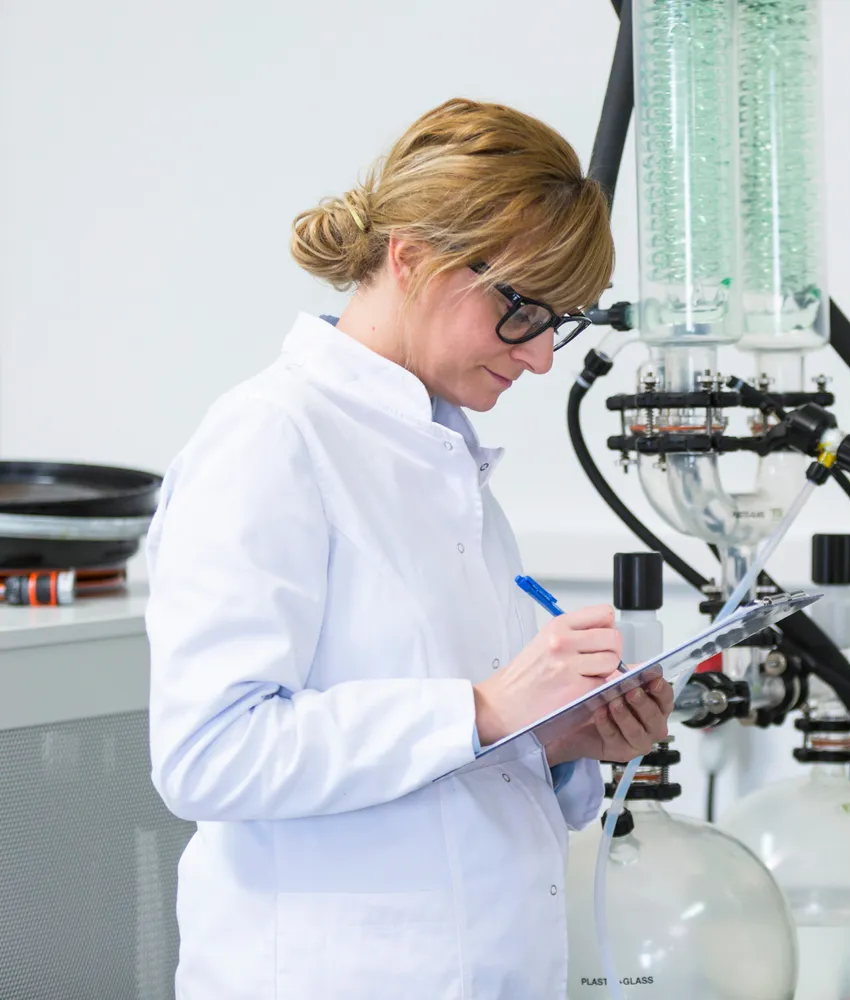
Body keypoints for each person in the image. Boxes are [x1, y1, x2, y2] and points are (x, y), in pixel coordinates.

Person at [144, 97, 674, 1000]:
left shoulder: (446, 460)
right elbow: (209, 754)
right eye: (523, 310)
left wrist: (556, 740)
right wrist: (483, 710)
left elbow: (453, 758)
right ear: (414, 257)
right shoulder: (272, 438)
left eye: (561, 322)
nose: (542, 358)